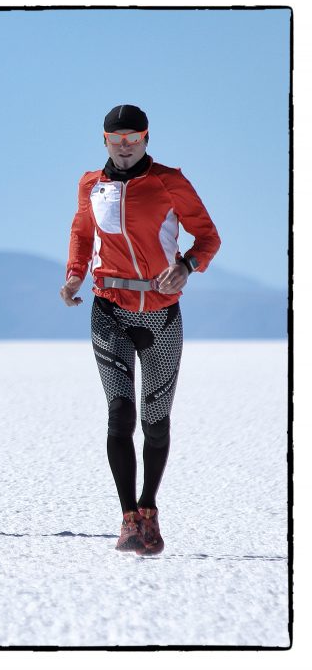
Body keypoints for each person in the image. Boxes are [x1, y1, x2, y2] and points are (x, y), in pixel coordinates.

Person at [60, 105, 221, 555]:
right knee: (119, 415)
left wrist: (187, 266)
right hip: (109, 306)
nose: (126, 144)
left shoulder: (170, 181)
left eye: (134, 137)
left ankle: (149, 509)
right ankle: (128, 516)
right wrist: (74, 274)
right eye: (118, 137)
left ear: (146, 139)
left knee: (154, 422)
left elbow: (208, 237)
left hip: (161, 313)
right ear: (105, 140)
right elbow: (82, 233)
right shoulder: (91, 184)